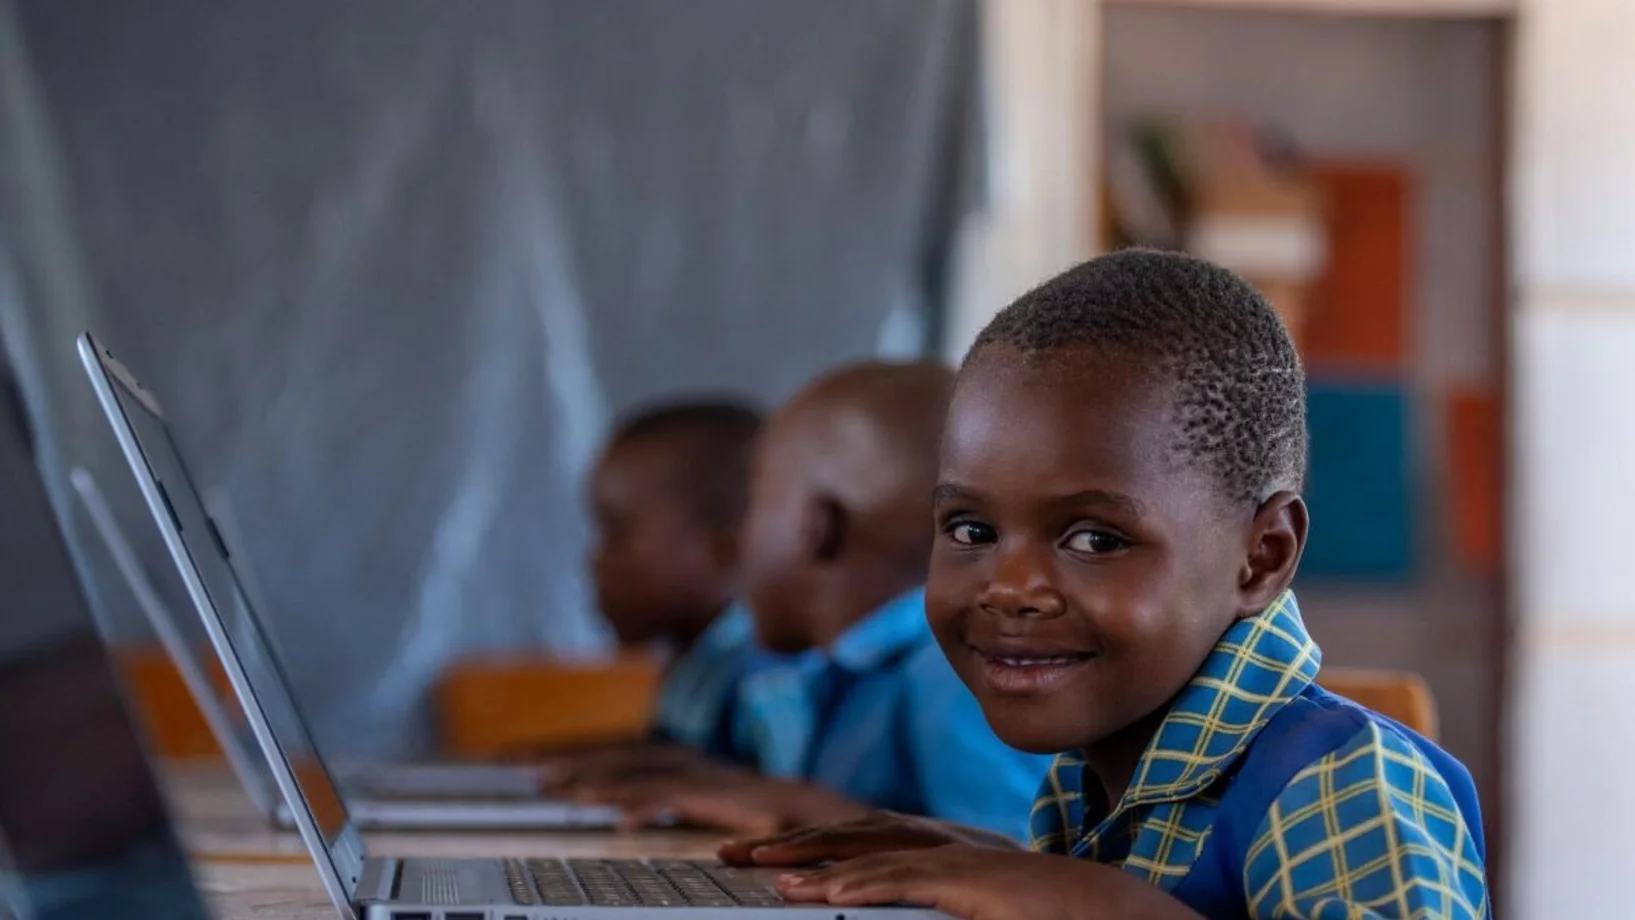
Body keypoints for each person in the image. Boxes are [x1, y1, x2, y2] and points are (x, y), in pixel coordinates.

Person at [721, 251, 1490, 919]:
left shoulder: (1340, 788)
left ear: (1259, 557)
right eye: (970, 531)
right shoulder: (1089, 781)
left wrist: (1094, 906)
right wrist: (1012, 871)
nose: (1009, 587)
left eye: (1094, 538)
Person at [579, 361, 1050, 838]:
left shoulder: (950, 677)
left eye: (757, 503)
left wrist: (805, 811)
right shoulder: (841, 679)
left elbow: (1032, 878)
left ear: (817, 528)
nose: (739, 542)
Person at [542, 400, 765, 784]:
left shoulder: (763, 674)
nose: (596, 560)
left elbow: (769, 793)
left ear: (723, 550)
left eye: (617, 533)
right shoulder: (694, 662)